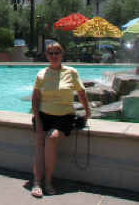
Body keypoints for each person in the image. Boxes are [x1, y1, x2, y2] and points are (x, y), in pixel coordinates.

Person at [31, 42, 90, 198]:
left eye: (57, 52)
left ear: (62, 54)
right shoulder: (41, 74)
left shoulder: (71, 72)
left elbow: (81, 93)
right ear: (47, 56)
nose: (54, 56)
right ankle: (36, 182)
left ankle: (48, 181)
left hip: (64, 116)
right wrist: (37, 120)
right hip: (43, 115)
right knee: (39, 143)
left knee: (52, 138)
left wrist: (87, 111)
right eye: (50, 53)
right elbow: (35, 97)